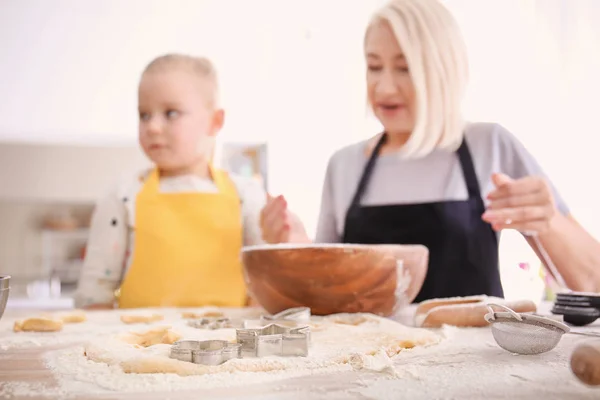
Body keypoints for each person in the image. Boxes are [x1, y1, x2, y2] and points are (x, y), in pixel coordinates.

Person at [260, 0, 600, 299]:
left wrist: (548, 220)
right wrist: (295, 245)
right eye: (374, 66)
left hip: (477, 367)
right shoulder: (343, 165)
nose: (384, 86)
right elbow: (329, 294)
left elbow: (592, 279)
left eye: (405, 68)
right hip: (369, 365)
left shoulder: (491, 146)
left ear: (443, 70)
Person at [74, 54, 266, 309]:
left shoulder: (247, 196)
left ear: (214, 122)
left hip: (226, 344)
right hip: (138, 345)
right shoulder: (123, 195)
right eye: (144, 115)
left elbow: (267, 282)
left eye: (171, 113)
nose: (152, 126)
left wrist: (283, 237)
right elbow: (94, 292)